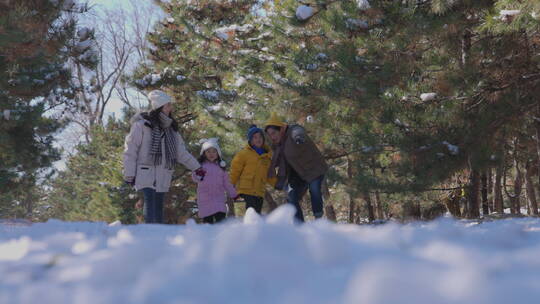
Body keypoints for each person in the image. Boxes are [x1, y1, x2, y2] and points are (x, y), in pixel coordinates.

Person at [123, 90, 206, 224]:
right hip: (145, 173)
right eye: (167, 105)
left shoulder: (171, 130)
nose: (170, 108)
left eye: (170, 105)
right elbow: (131, 150)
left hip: (163, 174)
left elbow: (181, 153)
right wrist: (129, 174)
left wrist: (196, 167)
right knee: (150, 204)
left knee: (158, 208)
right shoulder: (142, 126)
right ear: (159, 107)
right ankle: (150, 235)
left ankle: (159, 238)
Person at [265, 113, 328, 222]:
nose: (272, 137)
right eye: (269, 135)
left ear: (281, 129)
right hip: (298, 174)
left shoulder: (292, 131)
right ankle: (299, 224)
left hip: (314, 168)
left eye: (273, 133)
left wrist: (298, 137)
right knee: (291, 196)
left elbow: (298, 131)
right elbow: (273, 158)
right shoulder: (278, 145)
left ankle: (318, 218)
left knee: (314, 189)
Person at [230, 125, 277, 214]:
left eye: (260, 137)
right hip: (246, 191)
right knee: (250, 214)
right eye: (255, 137)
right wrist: (231, 184)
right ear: (251, 140)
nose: (258, 139)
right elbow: (235, 171)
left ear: (263, 139)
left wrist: (278, 184)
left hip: (259, 192)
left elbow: (270, 176)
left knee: (256, 216)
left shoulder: (267, 157)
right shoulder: (243, 154)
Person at [192, 138, 238, 224]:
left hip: (219, 200)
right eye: (208, 152)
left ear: (218, 153)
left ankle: (222, 237)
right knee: (208, 224)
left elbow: (227, 183)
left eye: (214, 151)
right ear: (204, 153)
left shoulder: (221, 168)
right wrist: (198, 174)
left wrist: (234, 194)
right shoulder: (200, 166)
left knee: (221, 223)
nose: (211, 154)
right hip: (205, 200)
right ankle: (208, 237)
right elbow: (194, 178)